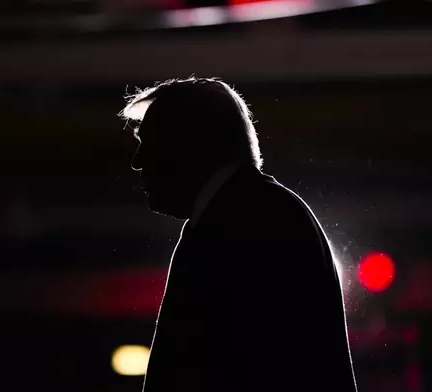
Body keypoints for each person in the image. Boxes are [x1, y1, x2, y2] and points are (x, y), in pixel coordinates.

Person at [119, 77, 357, 392]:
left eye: (149, 142)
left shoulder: (249, 221)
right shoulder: (258, 213)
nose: (138, 162)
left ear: (190, 145)